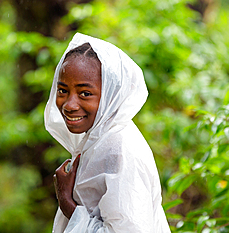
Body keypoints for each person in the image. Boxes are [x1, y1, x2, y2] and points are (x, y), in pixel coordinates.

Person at [44, 33, 171, 233]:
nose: (69, 105)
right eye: (62, 91)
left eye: (85, 93)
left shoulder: (118, 148)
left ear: (110, 95)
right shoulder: (97, 139)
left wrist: (67, 203)